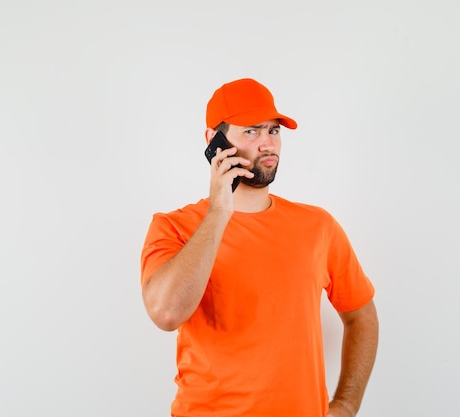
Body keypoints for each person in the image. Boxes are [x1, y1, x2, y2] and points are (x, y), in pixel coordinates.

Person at [140, 78, 379, 417]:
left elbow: (362, 315)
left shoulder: (318, 226)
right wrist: (220, 210)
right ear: (214, 141)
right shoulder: (174, 227)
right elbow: (166, 314)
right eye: (251, 131)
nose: (267, 144)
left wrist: (346, 404)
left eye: (274, 131)